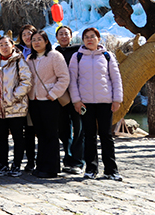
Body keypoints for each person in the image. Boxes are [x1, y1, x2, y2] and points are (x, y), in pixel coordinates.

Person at [68, 28, 123, 181]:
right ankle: (91, 169)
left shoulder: (107, 56)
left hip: (105, 102)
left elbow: (116, 79)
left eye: (92, 36)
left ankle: (111, 170)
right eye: (86, 37)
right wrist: (76, 100)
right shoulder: (77, 56)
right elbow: (73, 81)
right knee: (89, 135)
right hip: (85, 104)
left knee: (106, 135)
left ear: (98, 39)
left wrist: (117, 99)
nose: (89, 39)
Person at [27, 31, 70, 179]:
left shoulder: (55, 56)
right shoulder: (29, 59)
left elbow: (64, 77)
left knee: (51, 134)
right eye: (33, 40)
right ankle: (41, 166)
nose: (36, 42)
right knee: (40, 134)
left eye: (39, 39)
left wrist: (53, 94)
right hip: (34, 101)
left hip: (50, 100)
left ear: (46, 41)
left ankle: (51, 168)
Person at [0, 36, 32, 177]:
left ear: (13, 45)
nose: (4, 47)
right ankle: (2, 164)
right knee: (0, 138)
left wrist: (14, 96)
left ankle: (17, 164)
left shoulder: (19, 61)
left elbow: (26, 80)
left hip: (16, 107)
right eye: (1, 44)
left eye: (6, 44)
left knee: (18, 138)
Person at [55, 25, 83, 174]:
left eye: (66, 34)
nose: (64, 36)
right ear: (56, 38)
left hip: (78, 95)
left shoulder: (79, 51)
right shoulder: (54, 53)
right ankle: (68, 157)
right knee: (63, 129)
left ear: (71, 36)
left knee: (79, 128)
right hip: (61, 96)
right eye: (61, 34)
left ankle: (78, 161)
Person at [17, 24, 38, 170]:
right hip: (20, 96)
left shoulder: (42, 50)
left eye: (29, 33)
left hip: (37, 95)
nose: (27, 37)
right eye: (24, 34)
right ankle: (30, 161)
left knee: (37, 129)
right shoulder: (17, 51)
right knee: (26, 130)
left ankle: (41, 160)